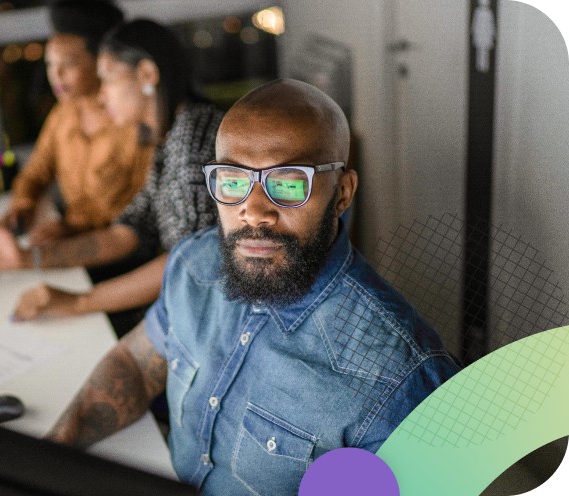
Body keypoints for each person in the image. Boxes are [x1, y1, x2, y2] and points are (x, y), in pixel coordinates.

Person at [44, 79, 461, 495]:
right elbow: (135, 366)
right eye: (232, 180)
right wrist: (47, 454)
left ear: (342, 193)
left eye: (289, 183)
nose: (253, 211)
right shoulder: (193, 265)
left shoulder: (400, 376)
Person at [0, 20, 224, 326]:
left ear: (146, 74)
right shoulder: (167, 136)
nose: (101, 97)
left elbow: (188, 265)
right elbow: (129, 232)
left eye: (107, 80)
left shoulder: (193, 137)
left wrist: (78, 302)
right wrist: (28, 258)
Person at [0, 0, 153, 247]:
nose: (55, 76)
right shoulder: (64, 114)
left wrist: (74, 230)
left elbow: (141, 221)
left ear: (102, 62)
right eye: (50, 64)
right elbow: (35, 172)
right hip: (69, 240)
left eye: (68, 65)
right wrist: (24, 205)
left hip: (111, 251)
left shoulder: (135, 123)